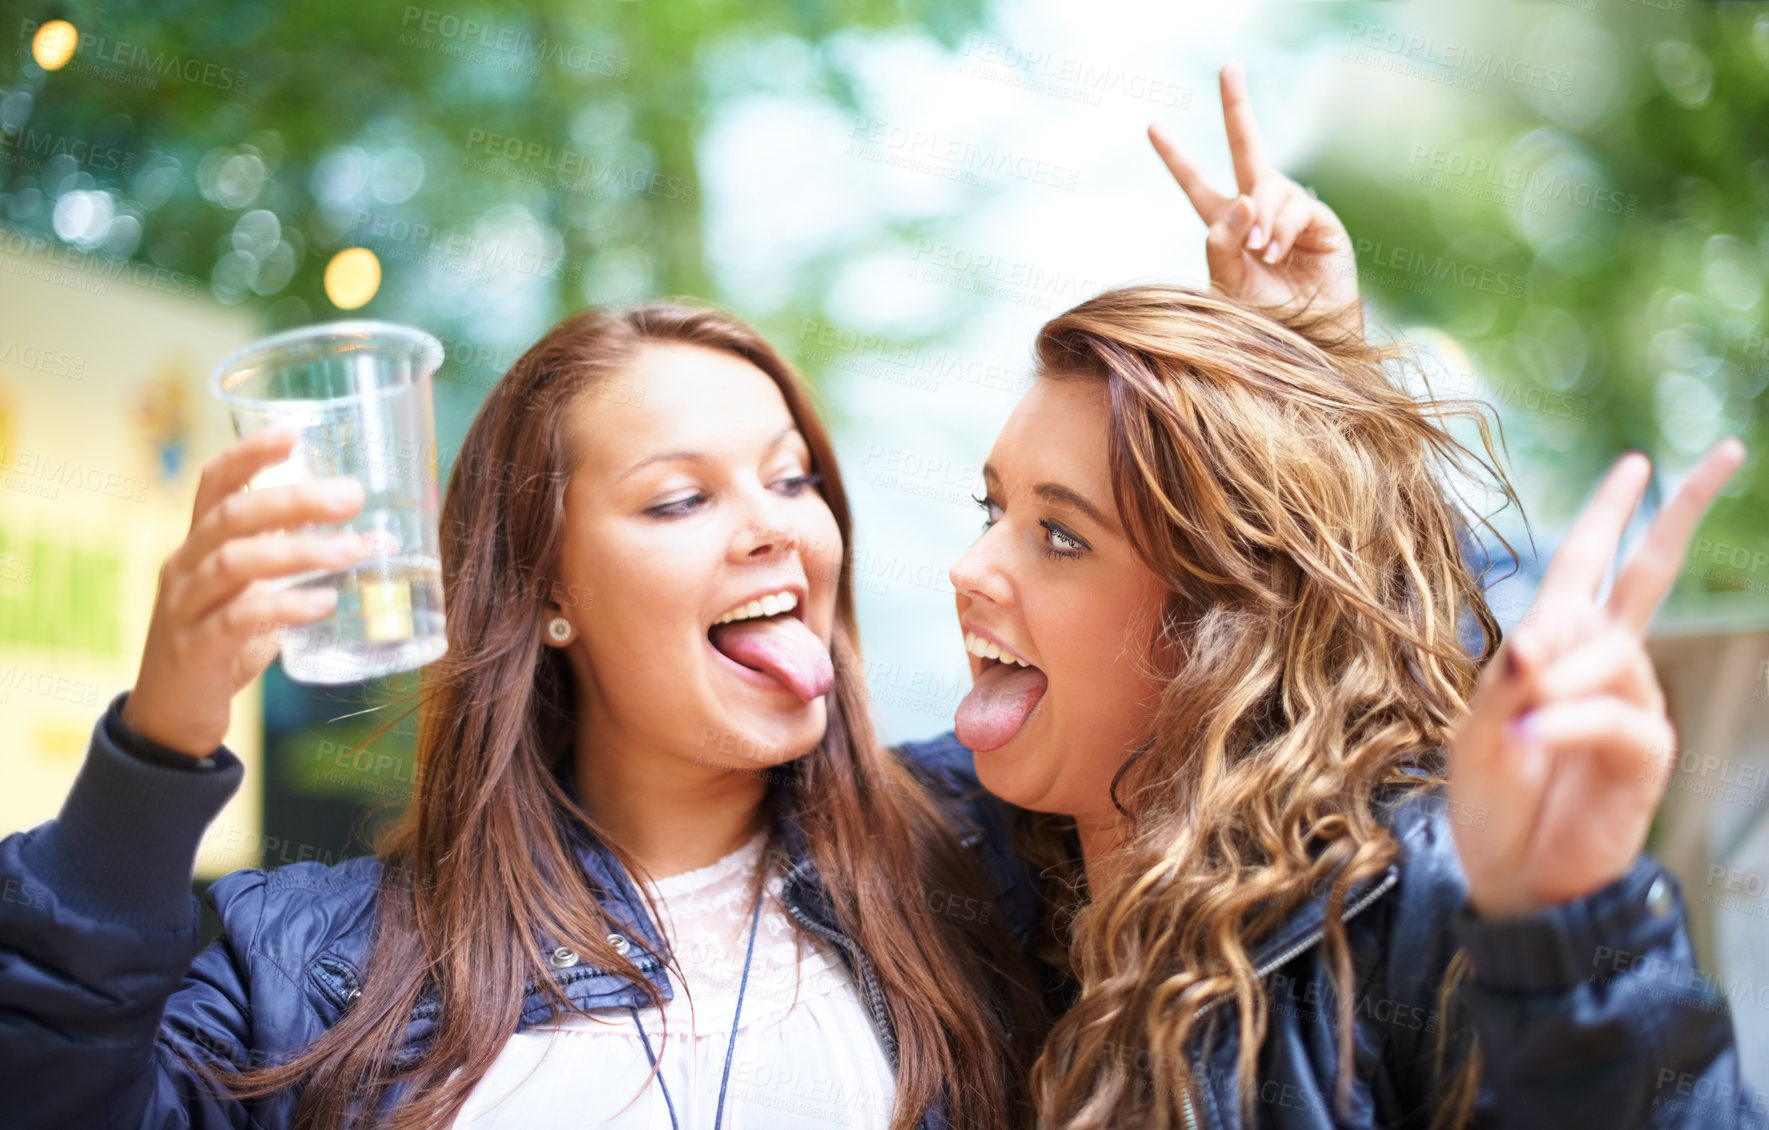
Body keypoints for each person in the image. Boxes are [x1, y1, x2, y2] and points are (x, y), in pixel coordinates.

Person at [937, 61, 1764, 1129]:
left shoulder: (1409, 893)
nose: (968, 568)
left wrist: (1565, 941)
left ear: (1222, 624)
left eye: (1058, 535)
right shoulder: (963, 866)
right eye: (987, 508)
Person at [0, 305, 1045, 1129]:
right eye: (679, 498)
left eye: (792, 476)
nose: (773, 524)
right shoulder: (312, 966)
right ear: (548, 591)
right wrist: (156, 745)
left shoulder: (985, 848)